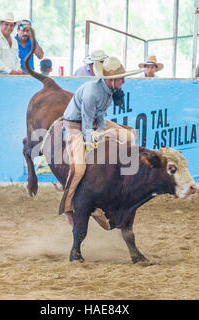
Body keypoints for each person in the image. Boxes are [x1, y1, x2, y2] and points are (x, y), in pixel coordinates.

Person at [60, 56, 141, 226]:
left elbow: (101, 116)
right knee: (79, 168)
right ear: (110, 80)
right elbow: (86, 122)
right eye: (121, 78)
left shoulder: (109, 92)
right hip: (75, 126)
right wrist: (95, 139)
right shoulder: (91, 93)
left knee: (129, 136)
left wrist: (105, 131)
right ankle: (68, 208)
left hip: (93, 123)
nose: (124, 81)